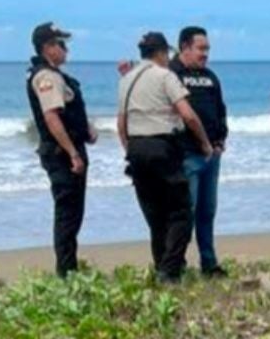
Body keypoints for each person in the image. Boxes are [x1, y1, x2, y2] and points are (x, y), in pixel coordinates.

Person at [117, 32, 214, 283]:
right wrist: (204, 142)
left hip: (136, 148)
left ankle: (162, 264)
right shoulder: (165, 75)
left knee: (155, 214)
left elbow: (121, 123)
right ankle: (170, 270)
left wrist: (129, 149)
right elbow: (188, 114)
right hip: (162, 146)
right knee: (181, 212)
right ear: (161, 52)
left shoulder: (127, 79)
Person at [26, 22, 96, 277]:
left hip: (66, 151)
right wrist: (73, 153)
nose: (66, 49)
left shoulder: (56, 76)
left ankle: (70, 268)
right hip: (61, 155)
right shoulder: (47, 77)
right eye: (60, 44)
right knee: (68, 215)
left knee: (73, 213)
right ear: (47, 47)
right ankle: (66, 272)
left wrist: (85, 128)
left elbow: (66, 112)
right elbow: (52, 117)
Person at [170, 26, 230, 278]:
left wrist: (220, 138)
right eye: (200, 48)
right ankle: (178, 262)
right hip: (187, 153)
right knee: (186, 212)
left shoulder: (210, 77)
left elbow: (219, 109)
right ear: (184, 47)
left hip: (211, 155)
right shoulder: (172, 75)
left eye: (207, 49)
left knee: (208, 211)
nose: (205, 54)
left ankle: (209, 262)